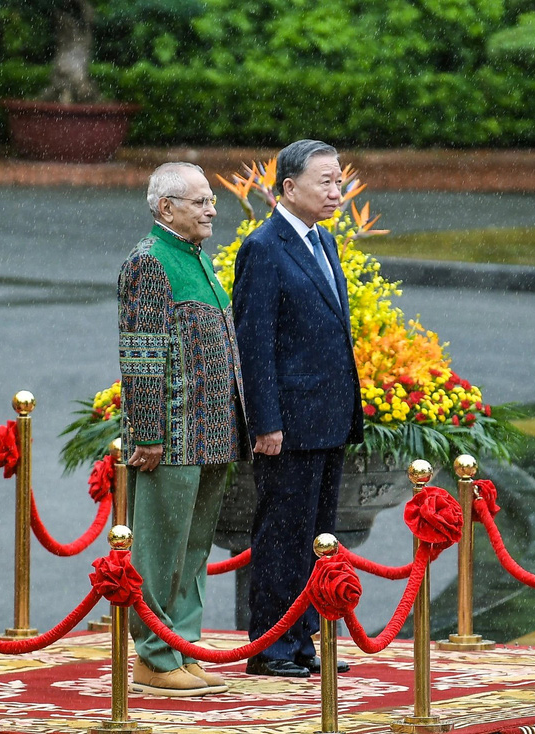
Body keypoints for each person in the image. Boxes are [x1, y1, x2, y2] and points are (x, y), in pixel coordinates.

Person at [233, 140, 364, 677]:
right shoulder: (263, 247)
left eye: (339, 182)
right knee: (282, 537)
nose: (337, 192)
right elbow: (254, 341)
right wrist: (265, 422)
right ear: (289, 188)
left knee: (318, 537)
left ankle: (307, 642)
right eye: (326, 182)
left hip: (327, 419)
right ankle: (272, 647)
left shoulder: (324, 240)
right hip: (288, 425)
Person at [119, 162, 249, 697]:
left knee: (193, 553)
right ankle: (153, 656)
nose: (211, 209)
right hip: (170, 438)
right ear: (165, 208)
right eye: (200, 202)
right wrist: (146, 433)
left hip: (211, 434)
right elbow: (142, 357)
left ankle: (182, 647)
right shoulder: (149, 264)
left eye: (211, 200)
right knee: (160, 552)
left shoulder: (197, 259)